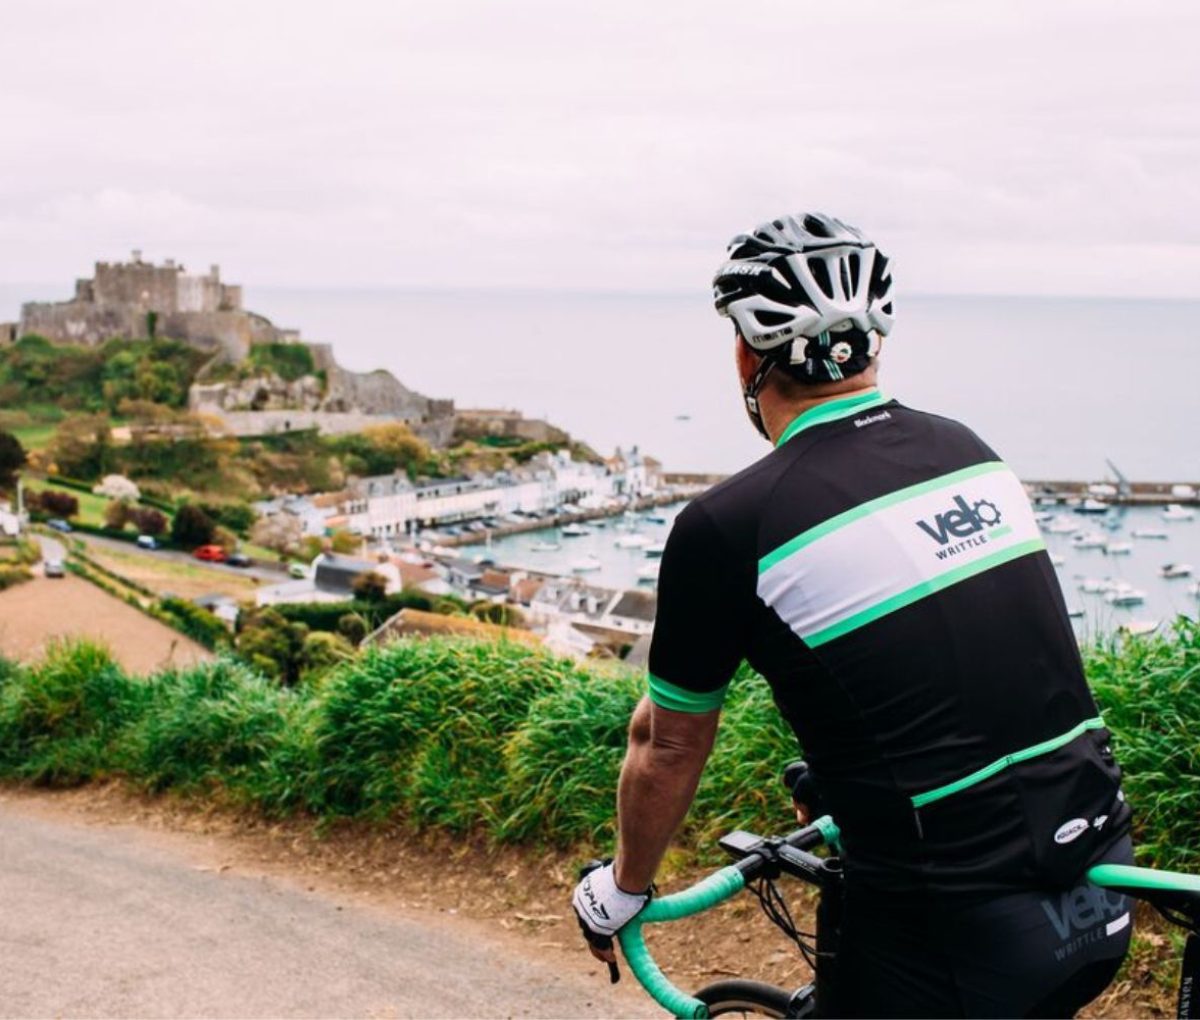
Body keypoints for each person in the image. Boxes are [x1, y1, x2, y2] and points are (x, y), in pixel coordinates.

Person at [572, 212, 1135, 1017]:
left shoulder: (730, 525)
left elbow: (664, 743)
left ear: (744, 352)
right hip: (1098, 888)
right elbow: (963, 670)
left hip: (948, 930)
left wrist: (621, 888)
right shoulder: (971, 451)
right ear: (874, 345)